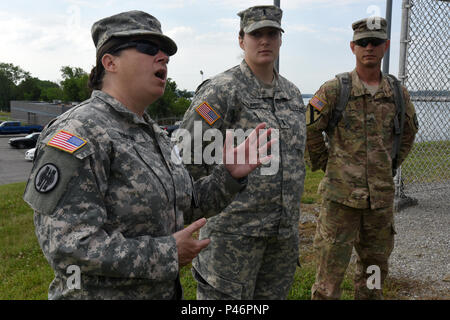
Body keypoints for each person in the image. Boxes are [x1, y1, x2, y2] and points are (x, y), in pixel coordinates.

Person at [22, 10, 274, 300]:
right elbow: (66, 245)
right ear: (109, 62)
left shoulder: (152, 132)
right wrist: (168, 252)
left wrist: (228, 175)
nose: (163, 57)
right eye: (147, 48)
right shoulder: (79, 132)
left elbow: (181, 207)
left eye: (165, 52)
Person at [176, 5, 306, 299]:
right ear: (241, 40)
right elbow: (187, 158)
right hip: (233, 240)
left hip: (281, 239)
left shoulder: (293, 94)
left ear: (280, 39)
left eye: (271, 33)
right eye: (255, 34)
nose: (264, 41)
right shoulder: (222, 91)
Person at [306, 17, 418, 300]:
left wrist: (390, 164)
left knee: (373, 277)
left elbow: (409, 132)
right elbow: (308, 127)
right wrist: (326, 163)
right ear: (353, 47)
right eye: (363, 42)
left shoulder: (397, 93)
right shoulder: (335, 89)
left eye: (376, 42)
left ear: (385, 47)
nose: (369, 47)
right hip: (340, 203)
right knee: (328, 283)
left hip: (379, 206)